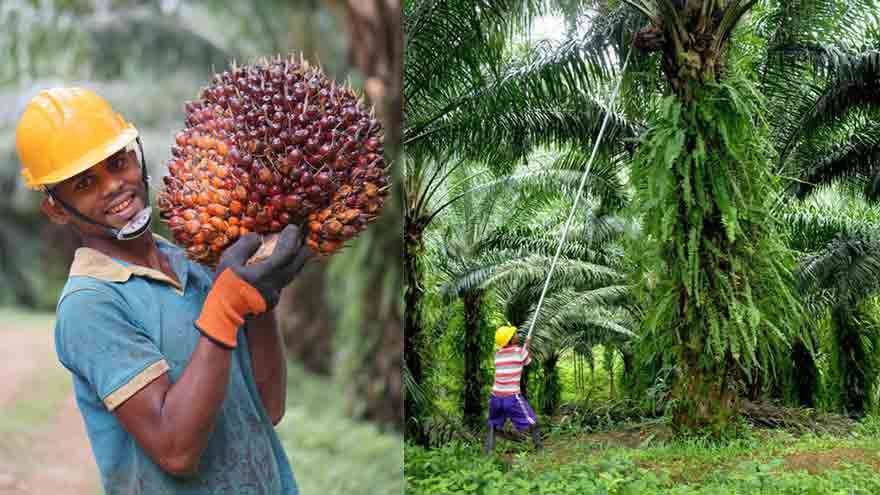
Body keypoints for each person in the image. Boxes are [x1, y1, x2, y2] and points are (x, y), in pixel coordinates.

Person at [15, 87, 311, 494]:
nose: (114, 185)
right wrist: (226, 306)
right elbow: (176, 451)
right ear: (56, 208)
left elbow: (268, 407)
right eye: (85, 182)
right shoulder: (91, 304)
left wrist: (260, 291)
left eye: (119, 163)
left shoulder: (195, 261)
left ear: (137, 153)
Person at [484, 325, 542, 454]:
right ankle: (540, 451)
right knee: (534, 422)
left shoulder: (498, 354)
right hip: (511, 398)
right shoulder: (519, 352)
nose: (517, 335)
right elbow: (528, 362)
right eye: (514, 334)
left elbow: (516, 357)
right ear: (510, 339)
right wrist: (528, 345)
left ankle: (487, 454)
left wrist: (523, 348)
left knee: (492, 424)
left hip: (495, 398)